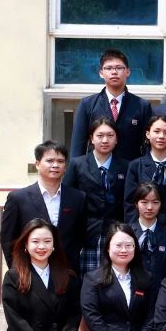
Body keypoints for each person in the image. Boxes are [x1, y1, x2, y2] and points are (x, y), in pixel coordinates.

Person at [0, 140, 87, 273]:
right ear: (37, 164)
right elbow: (8, 239)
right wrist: (18, 270)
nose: (55, 165)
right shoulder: (18, 198)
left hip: (66, 271)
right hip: (29, 270)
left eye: (60, 161)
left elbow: (80, 235)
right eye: (50, 161)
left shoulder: (78, 197)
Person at [64, 117, 129, 274]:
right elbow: (67, 198)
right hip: (86, 234)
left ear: (116, 139)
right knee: (87, 280)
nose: (105, 140)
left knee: (114, 278)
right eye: (100, 136)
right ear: (91, 138)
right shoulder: (77, 164)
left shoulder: (126, 166)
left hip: (116, 233)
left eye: (110, 135)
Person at [69, 48, 153, 161]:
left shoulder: (142, 106)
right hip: (95, 168)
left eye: (119, 68)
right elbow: (78, 145)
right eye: (108, 68)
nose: (114, 72)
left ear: (128, 72)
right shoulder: (87, 104)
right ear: (101, 73)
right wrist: (76, 169)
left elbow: (148, 144)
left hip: (130, 168)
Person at [124, 114, 166, 233]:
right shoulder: (136, 165)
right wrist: (133, 231)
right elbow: (129, 203)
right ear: (148, 134)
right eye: (156, 131)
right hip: (143, 230)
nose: (161, 136)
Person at [130, 182, 166, 288]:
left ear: (161, 204)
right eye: (144, 202)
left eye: (155, 202)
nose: (149, 207)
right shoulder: (127, 233)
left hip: (163, 291)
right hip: (131, 291)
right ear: (136, 204)